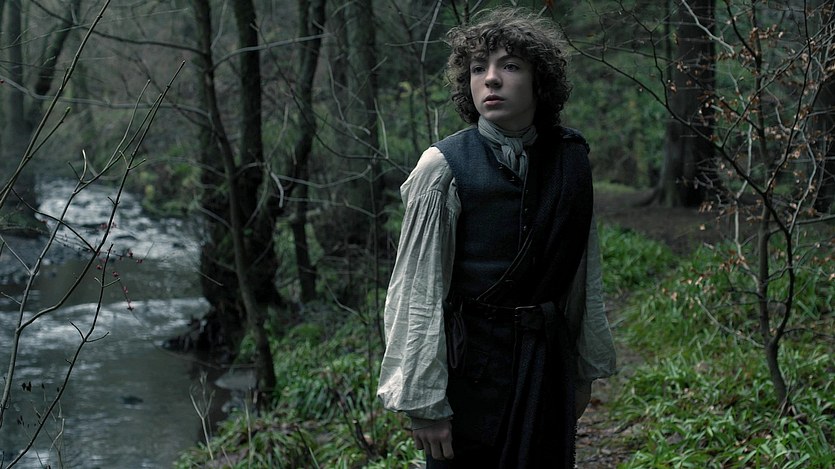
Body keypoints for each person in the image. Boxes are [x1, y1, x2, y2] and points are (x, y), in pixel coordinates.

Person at [377, 7, 616, 468]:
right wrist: (424, 402)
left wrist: (581, 372)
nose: (490, 79)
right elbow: (416, 291)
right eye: (477, 68)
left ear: (539, 81)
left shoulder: (571, 159)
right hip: (470, 374)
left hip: (545, 366)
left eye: (510, 65)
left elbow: (582, 275)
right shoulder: (442, 168)